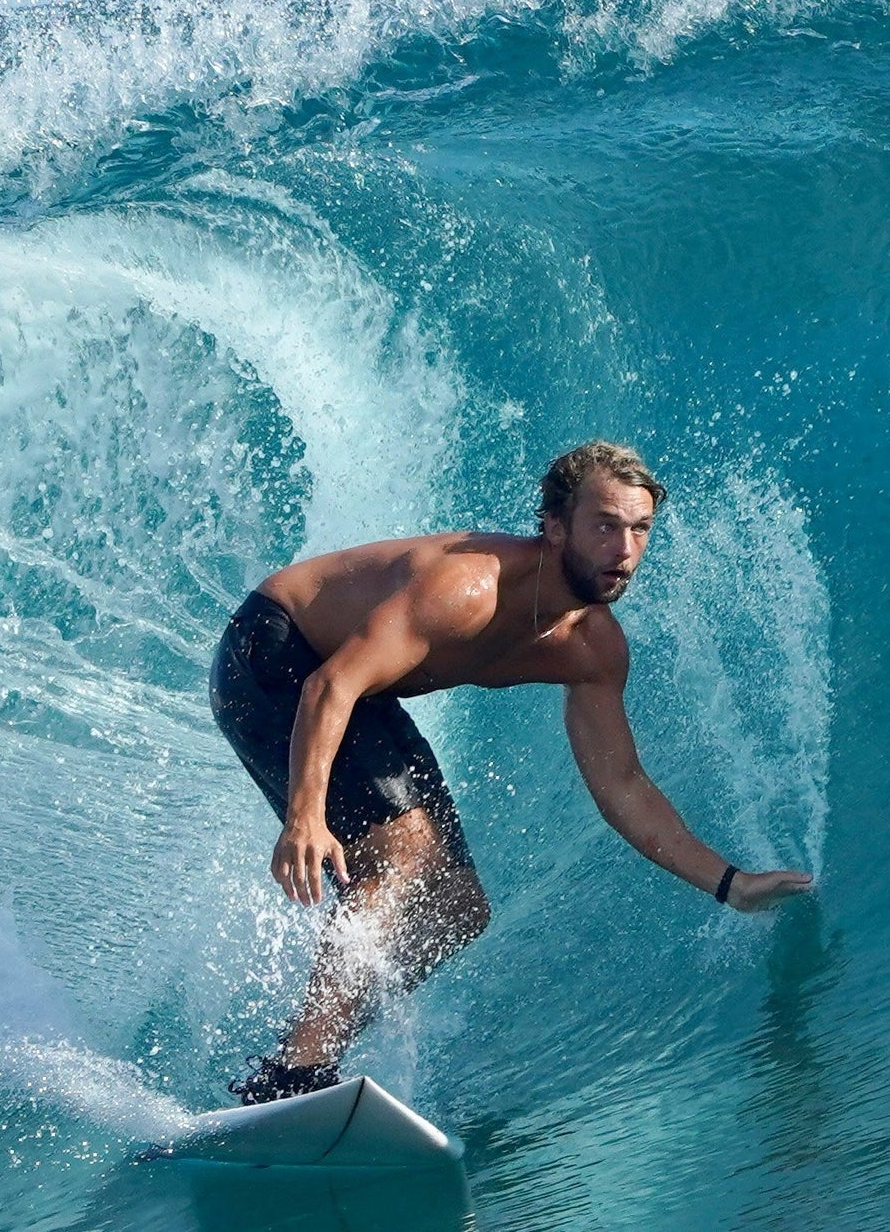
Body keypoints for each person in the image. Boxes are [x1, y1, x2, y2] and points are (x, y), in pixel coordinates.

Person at [203, 439, 813, 1105]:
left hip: (356, 695)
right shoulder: (467, 589)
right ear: (554, 527)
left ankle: (309, 1046)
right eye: (605, 526)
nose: (625, 549)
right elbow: (331, 686)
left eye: (640, 529)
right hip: (273, 654)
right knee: (401, 856)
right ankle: (296, 1073)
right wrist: (305, 816)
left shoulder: (591, 647)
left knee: (458, 909)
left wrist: (733, 885)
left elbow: (624, 789)